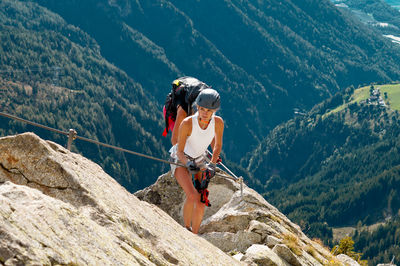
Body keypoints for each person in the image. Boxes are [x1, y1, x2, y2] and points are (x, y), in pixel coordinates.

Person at [170, 88, 224, 234]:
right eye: (202, 109)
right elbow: (179, 151)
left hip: (200, 158)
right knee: (192, 195)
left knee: (201, 202)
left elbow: (217, 145)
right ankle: (186, 229)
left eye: (209, 110)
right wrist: (187, 164)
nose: (205, 113)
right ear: (197, 107)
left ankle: (194, 234)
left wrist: (212, 164)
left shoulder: (218, 123)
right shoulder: (187, 123)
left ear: (214, 111)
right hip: (180, 159)